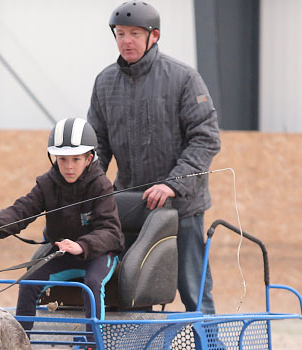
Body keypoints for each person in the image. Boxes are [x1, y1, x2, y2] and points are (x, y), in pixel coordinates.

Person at [88, 1, 222, 314]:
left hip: (183, 208)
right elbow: (99, 145)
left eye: (135, 34)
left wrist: (172, 185)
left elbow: (206, 138)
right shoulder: (105, 83)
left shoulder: (184, 79)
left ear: (154, 36)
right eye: (120, 34)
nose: (126, 41)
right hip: (132, 207)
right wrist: (89, 190)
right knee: (131, 290)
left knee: (194, 293)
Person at [0, 117, 124, 330]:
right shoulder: (47, 183)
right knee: (28, 283)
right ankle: (22, 349)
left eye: (76, 160)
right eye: (62, 159)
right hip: (63, 255)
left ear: (89, 158)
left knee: (93, 286)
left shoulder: (101, 185)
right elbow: (23, 209)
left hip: (99, 254)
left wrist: (82, 245)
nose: (69, 167)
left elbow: (110, 231)